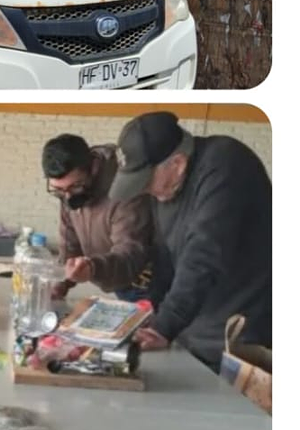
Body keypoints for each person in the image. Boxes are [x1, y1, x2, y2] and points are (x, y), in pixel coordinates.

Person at [107, 111, 272, 370]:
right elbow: (164, 253)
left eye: (147, 181)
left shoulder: (226, 164)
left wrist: (166, 325)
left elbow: (204, 254)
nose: (145, 189)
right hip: (194, 328)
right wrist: (152, 307)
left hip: (240, 334)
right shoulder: (166, 188)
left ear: (178, 163)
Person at [40, 133, 155, 299]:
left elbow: (130, 252)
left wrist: (93, 268)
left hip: (143, 283)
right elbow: (70, 242)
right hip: (113, 278)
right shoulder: (68, 193)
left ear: (93, 168)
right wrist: (61, 284)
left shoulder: (124, 190)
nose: (68, 197)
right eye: (58, 189)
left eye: (75, 186)